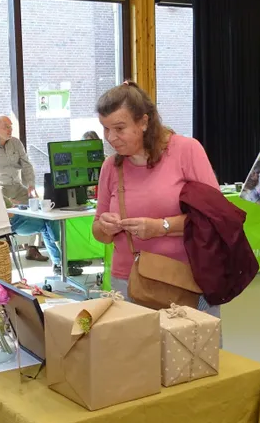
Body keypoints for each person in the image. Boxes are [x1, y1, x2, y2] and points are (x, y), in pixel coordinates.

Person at [91, 81, 220, 315]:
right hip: (128, 281)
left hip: (183, 280)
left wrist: (161, 227)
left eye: (119, 128)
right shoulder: (110, 166)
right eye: (105, 128)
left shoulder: (186, 150)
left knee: (191, 350)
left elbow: (214, 219)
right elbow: (99, 232)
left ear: (143, 122)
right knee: (135, 351)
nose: (110, 137)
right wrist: (105, 227)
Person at [0, 115, 60, 264]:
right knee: (34, 219)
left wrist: (31, 186)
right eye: (6, 127)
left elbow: (26, 165)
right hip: (0, 191)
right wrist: (7, 202)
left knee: (43, 211)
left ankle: (37, 248)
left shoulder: (15, 143)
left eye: (11, 126)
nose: (10, 130)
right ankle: (58, 257)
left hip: (17, 186)